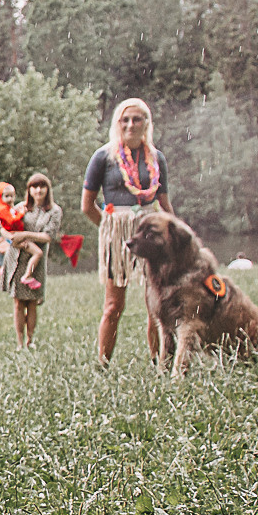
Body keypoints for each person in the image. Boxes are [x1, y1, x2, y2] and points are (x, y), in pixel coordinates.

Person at [82, 98, 174, 365]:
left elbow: (164, 204)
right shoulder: (103, 157)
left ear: (147, 123)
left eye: (137, 119)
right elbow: (87, 206)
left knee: (156, 304)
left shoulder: (157, 159)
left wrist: (176, 236)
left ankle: (162, 361)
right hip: (117, 235)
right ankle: (103, 363)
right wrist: (111, 230)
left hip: (151, 234)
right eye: (125, 119)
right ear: (117, 123)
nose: (130, 125)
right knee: (113, 306)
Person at [0, 173, 62, 349]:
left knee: (32, 302)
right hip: (17, 256)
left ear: (48, 189)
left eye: (42, 186)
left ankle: (30, 340)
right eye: (34, 187)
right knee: (18, 301)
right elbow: (2, 226)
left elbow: (48, 236)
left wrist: (26, 235)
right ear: (29, 190)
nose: (38, 190)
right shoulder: (20, 207)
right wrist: (11, 237)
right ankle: (20, 343)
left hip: (37, 258)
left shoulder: (54, 211)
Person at [0, 181, 46, 291]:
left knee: (33, 253)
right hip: (13, 237)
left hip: (18, 236)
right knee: (38, 253)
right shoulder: (2, 209)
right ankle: (27, 276)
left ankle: (25, 275)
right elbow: (11, 221)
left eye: (12, 196)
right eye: (6, 196)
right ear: (0, 196)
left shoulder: (9, 208)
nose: (10, 199)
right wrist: (22, 213)